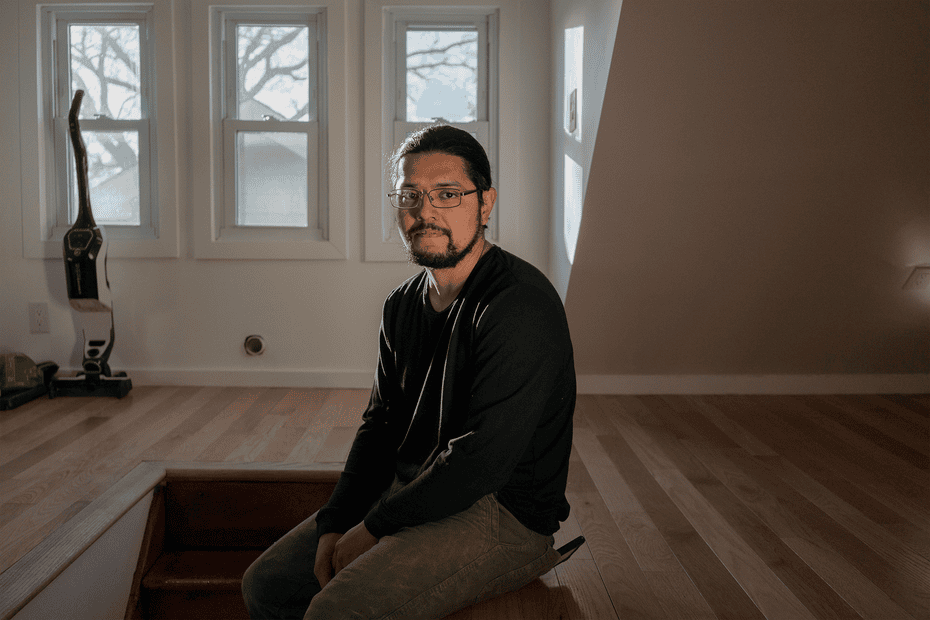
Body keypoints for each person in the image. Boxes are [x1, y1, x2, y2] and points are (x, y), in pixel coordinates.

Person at [242, 125, 576, 620]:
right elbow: (379, 426)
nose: (426, 212)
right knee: (265, 585)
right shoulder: (401, 305)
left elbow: (481, 462)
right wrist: (337, 520)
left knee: (334, 613)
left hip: (502, 514)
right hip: (417, 486)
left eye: (448, 195)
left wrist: (375, 526)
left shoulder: (519, 306)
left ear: (485, 204)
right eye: (410, 195)